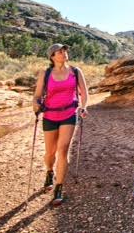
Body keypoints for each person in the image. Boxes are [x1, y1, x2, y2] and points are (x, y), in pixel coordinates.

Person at [32, 43, 88, 206]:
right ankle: (50, 171)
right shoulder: (46, 73)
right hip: (50, 115)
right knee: (50, 153)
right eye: (60, 52)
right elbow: (36, 96)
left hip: (69, 114)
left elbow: (84, 94)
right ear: (52, 56)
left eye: (65, 51)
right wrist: (36, 105)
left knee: (63, 150)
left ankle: (58, 187)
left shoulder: (76, 72)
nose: (64, 53)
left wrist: (84, 107)